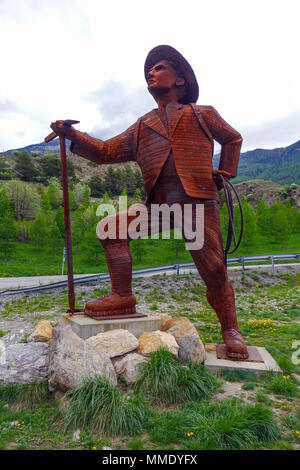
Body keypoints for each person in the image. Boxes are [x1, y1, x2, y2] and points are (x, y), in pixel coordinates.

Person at [50, 45, 248, 359]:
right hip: (159, 206)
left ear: (181, 80)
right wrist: (73, 135)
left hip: (197, 205)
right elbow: (104, 151)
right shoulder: (144, 126)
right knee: (111, 227)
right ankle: (122, 296)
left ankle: (231, 331)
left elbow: (233, 138)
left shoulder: (203, 114)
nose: (150, 73)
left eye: (159, 68)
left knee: (214, 270)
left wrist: (226, 171)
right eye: (149, 71)